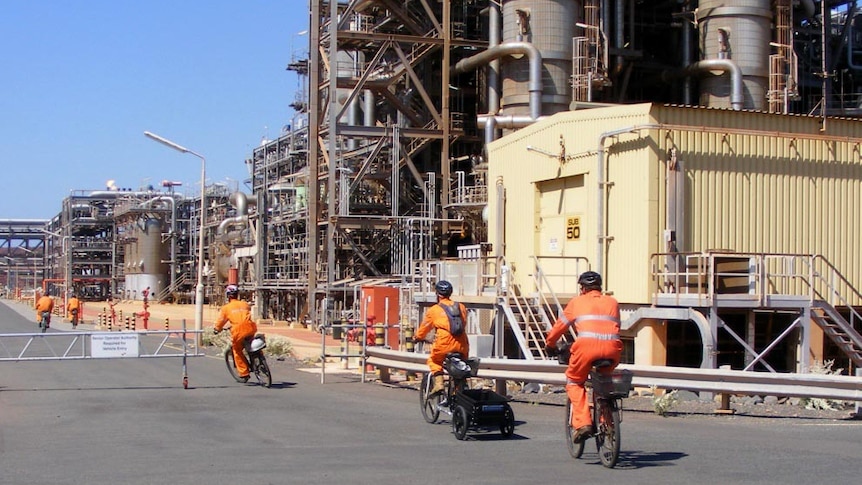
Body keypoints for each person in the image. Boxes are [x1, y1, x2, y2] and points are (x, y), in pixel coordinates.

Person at [544, 271, 622, 443]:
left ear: (583, 288)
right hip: (612, 349)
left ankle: (583, 423)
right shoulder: (613, 302)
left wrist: (550, 344)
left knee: (574, 381)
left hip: (586, 349)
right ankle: (606, 422)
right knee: (604, 382)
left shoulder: (577, 302)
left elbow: (559, 327)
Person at [414, 280, 470, 395]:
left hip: (444, 343)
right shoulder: (461, 307)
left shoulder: (434, 310)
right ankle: (458, 391)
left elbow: (425, 327)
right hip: (462, 343)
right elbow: (463, 323)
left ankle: (439, 384)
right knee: (461, 364)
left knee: (434, 361)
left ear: (437, 294)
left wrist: (417, 337)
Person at [213, 285, 258, 382]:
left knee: (236, 350)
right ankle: (258, 359)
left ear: (228, 296)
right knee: (252, 344)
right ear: (237, 294)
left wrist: (217, 329)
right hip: (251, 327)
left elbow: (221, 321)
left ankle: (244, 373)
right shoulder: (245, 304)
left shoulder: (226, 308)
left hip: (238, 330)